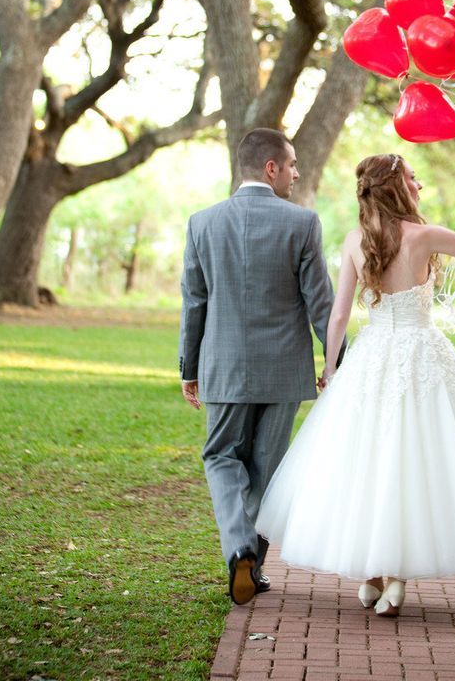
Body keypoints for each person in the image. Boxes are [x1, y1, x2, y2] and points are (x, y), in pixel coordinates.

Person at [256, 152, 455, 617]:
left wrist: (331, 368)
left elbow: (340, 314)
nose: (420, 184)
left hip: (371, 356)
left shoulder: (355, 240)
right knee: (412, 458)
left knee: (366, 458)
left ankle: (375, 573)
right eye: (413, 177)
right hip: (421, 353)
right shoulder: (425, 236)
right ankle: (390, 576)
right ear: (396, 187)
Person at [179, 128, 338, 607]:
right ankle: (255, 564)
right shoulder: (303, 223)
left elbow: (194, 303)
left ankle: (240, 550)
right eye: (291, 165)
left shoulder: (202, 223)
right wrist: (337, 363)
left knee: (221, 457)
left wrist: (190, 366)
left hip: (224, 367)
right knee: (267, 470)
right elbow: (322, 305)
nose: (295, 173)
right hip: (284, 371)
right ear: (270, 168)